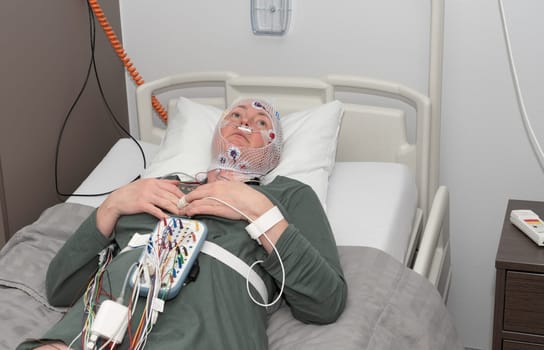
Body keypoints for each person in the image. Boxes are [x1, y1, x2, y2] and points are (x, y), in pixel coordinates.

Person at [18, 98, 347, 350]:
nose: (245, 121)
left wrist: (260, 213)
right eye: (235, 115)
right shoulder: (156, 187)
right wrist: (112, 205)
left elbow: (325, 303)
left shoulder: (287, 195)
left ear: (275, 152)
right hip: (104, 321)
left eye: (261, 121)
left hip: (208, 330)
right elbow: (60, 288)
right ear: (215, 134)